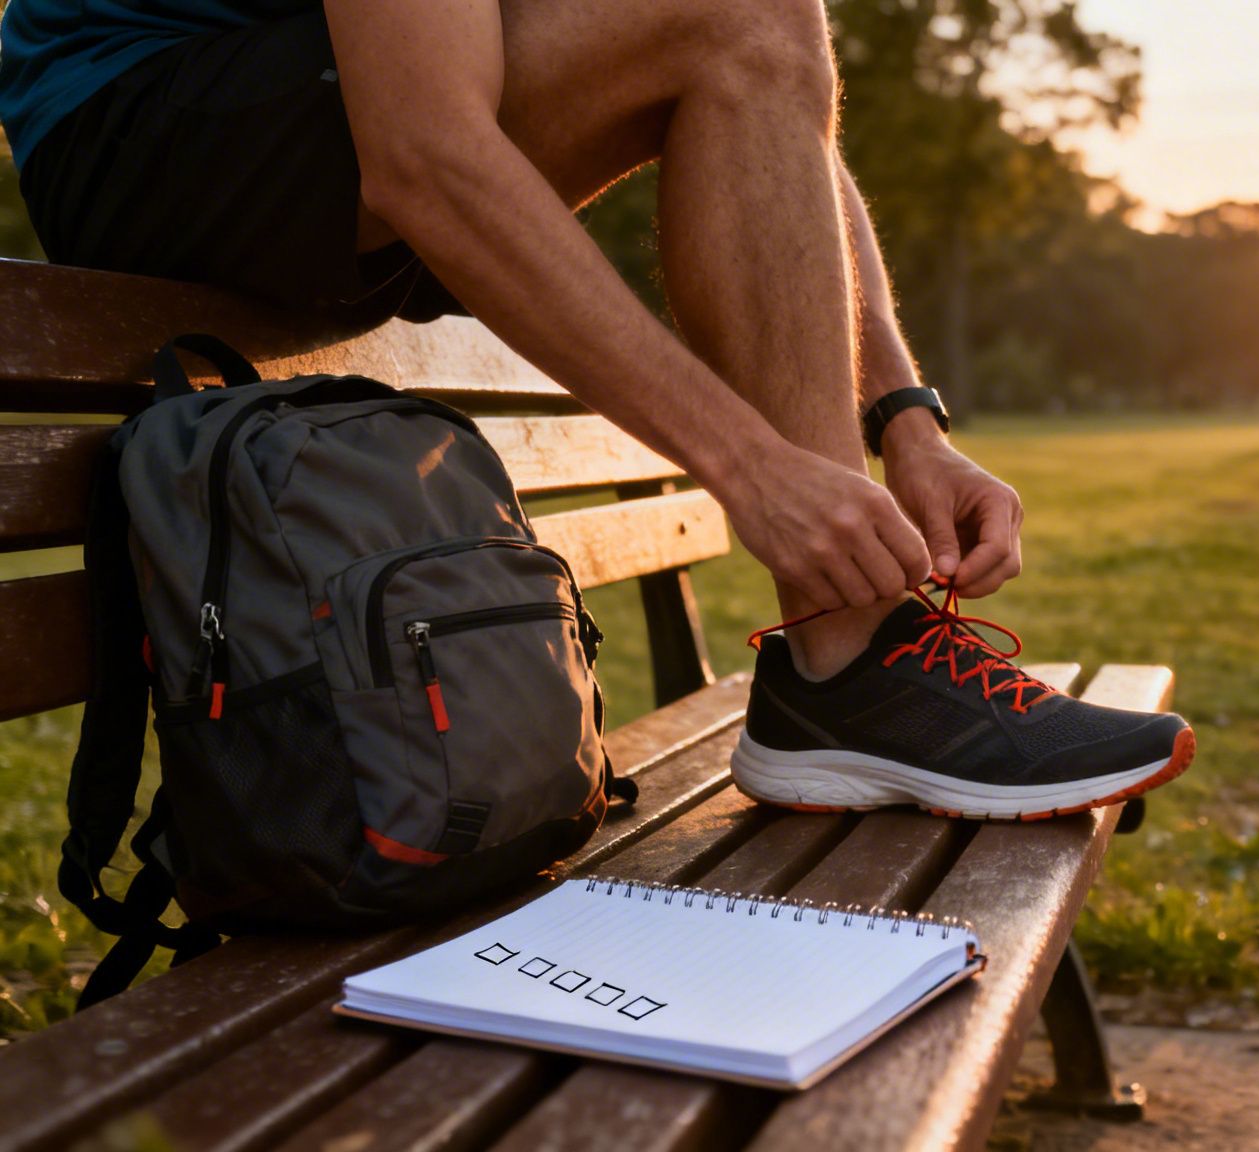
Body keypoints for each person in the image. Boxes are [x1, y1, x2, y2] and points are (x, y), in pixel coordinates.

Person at [0, 0, 1193, 819]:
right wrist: (752, 467)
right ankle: (852, 656)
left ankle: (851, 666)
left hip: (325, 114)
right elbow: (421, 159)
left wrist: (906, 422)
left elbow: (773, 92)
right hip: (132, 123)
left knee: (752, 25)